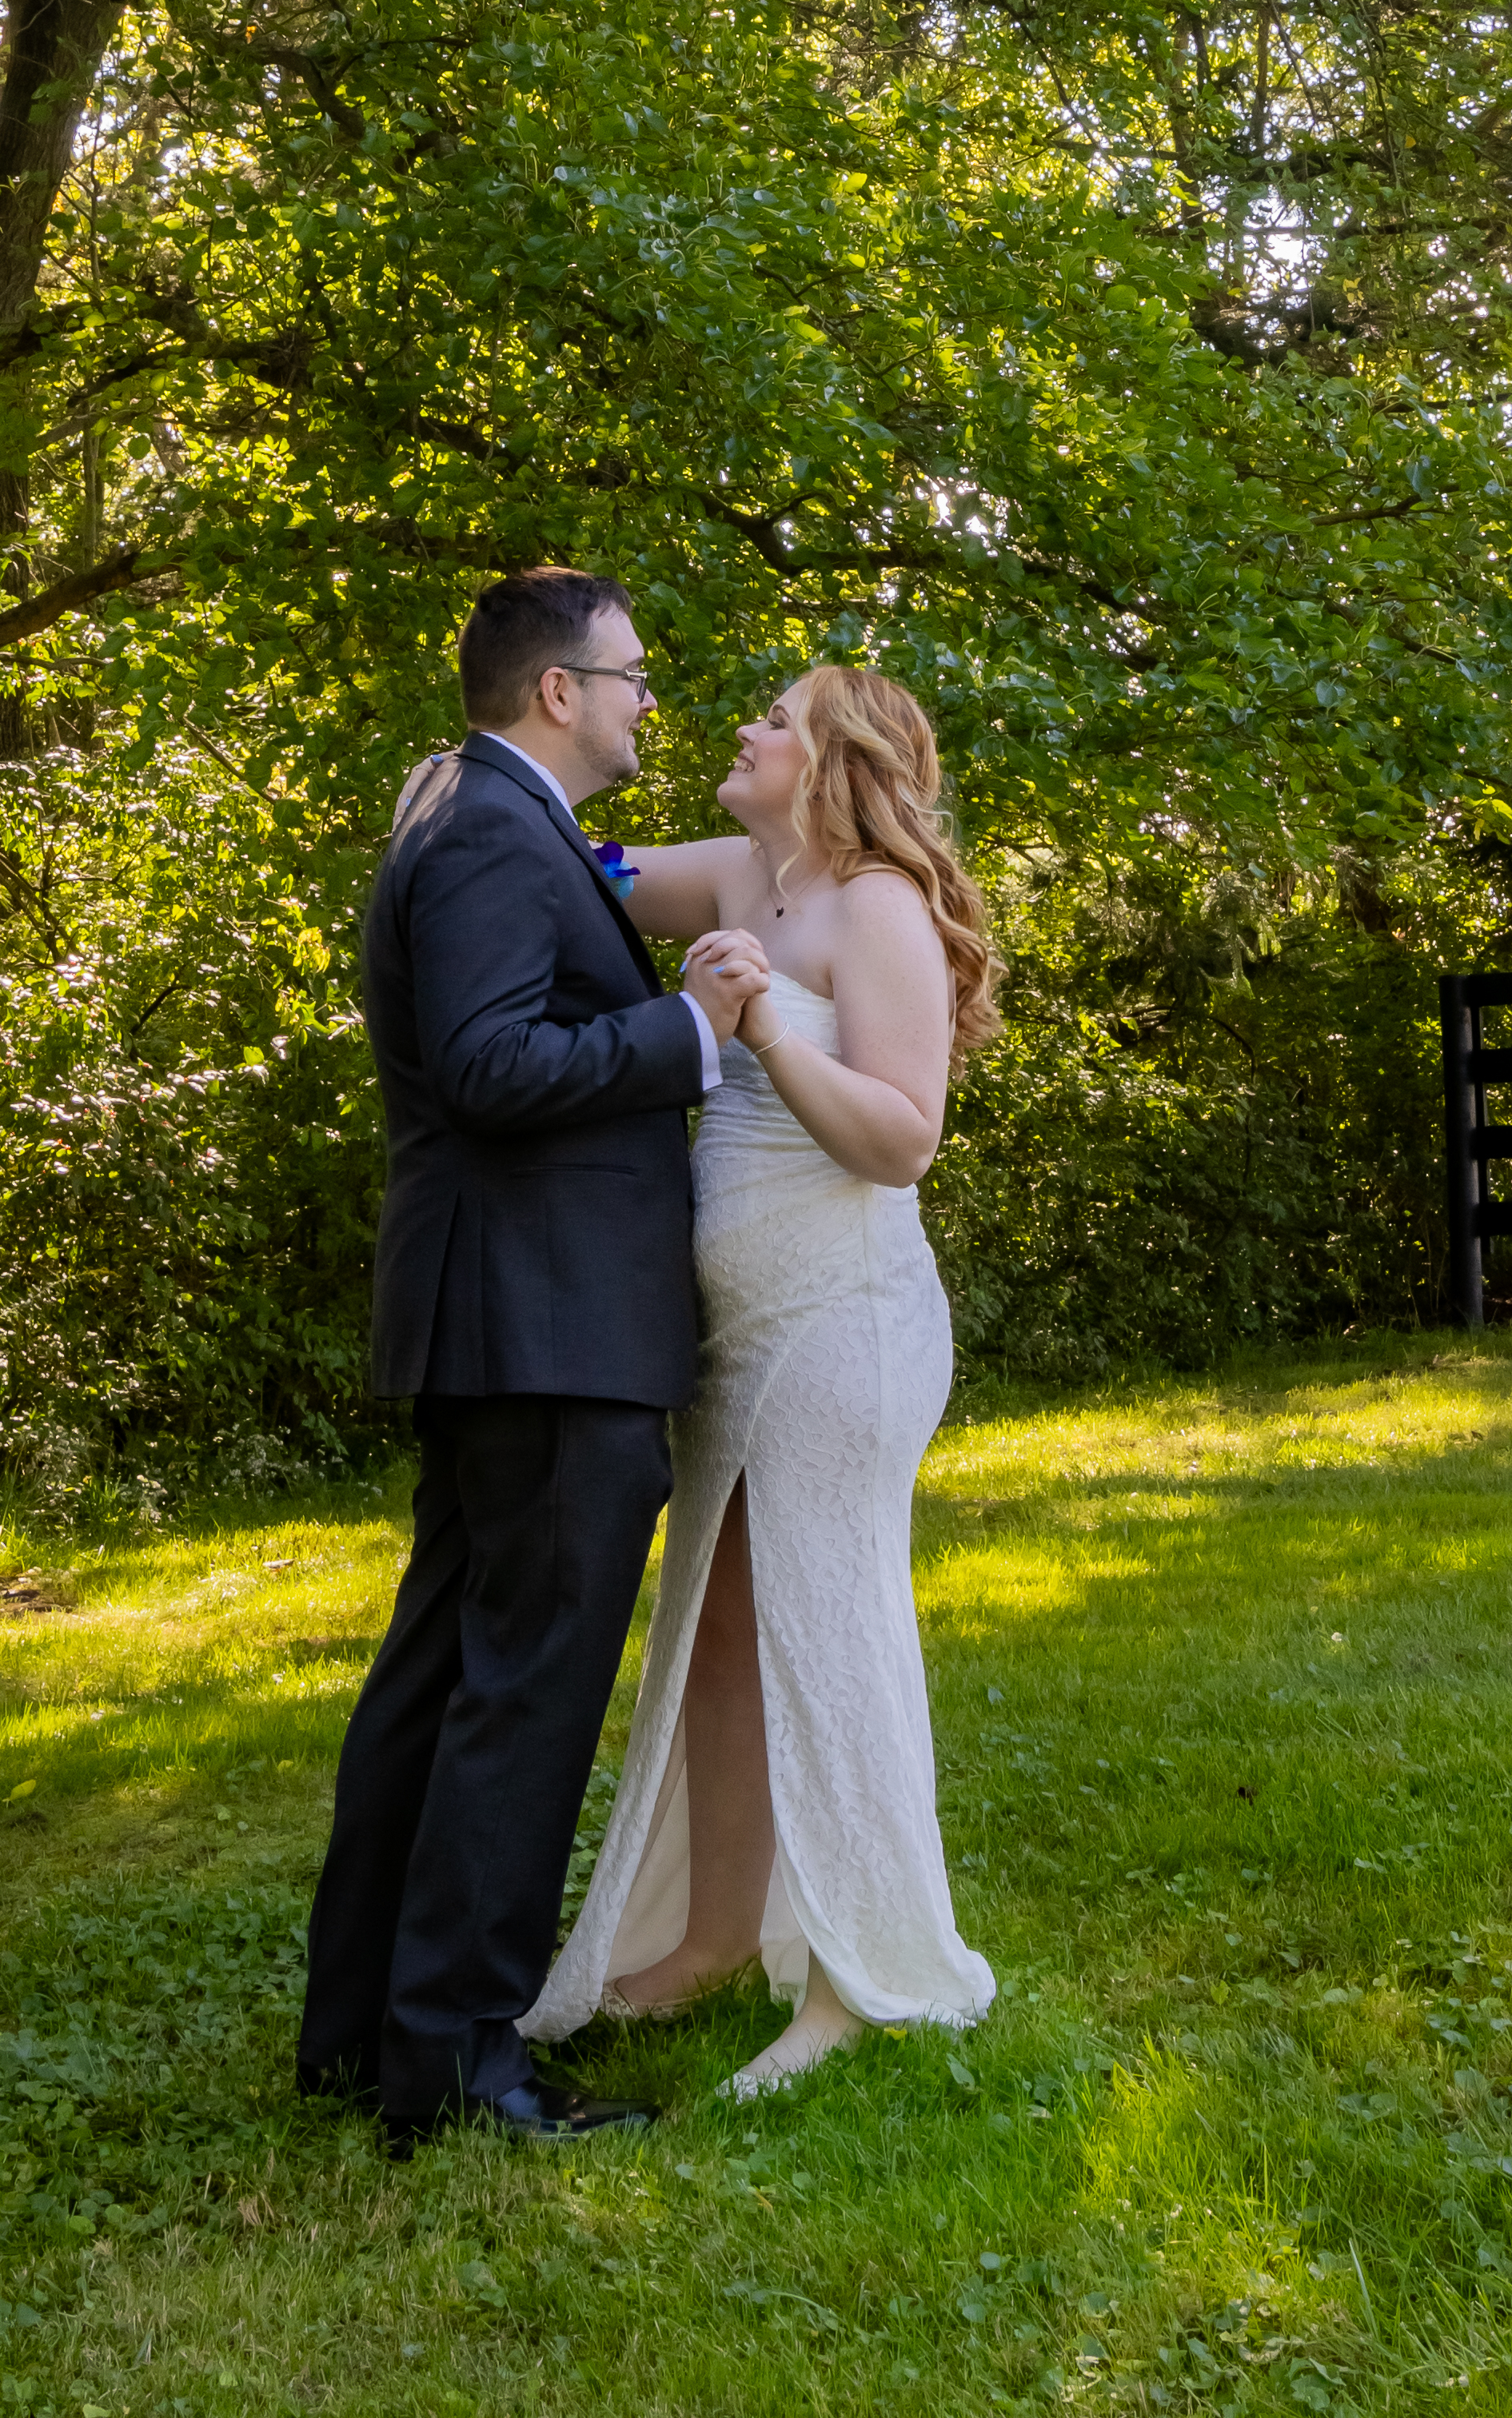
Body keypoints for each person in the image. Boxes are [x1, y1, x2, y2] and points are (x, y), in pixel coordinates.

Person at [295, 565, 726, 2156]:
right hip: (543, 1324)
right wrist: (689, 1036)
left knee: (442, 1679)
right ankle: (464, 2064)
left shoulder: (482, 813)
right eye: (629, 675)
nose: (641, 702)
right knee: (519, 1693)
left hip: (513, 1315)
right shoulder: (487, 826)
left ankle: (367, 2031)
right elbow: (486, 1063)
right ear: (559, 688)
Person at [524, 661, 997, 2098]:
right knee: (719, 1639)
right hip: (730, 1345)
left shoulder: (877, 910)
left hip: (841, 1324)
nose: (742, 728)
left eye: (775, 718)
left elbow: (902, 1139)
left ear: (835, 757)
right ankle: (713, 1937)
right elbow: (576, 856)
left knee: (825, 1626)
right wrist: (494, 766)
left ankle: (859, 1981)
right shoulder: (739, 873)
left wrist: (770, 1026)